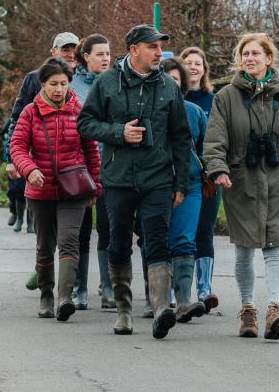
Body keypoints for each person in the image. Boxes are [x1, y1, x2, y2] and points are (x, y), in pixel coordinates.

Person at [204, 33, 279, 341]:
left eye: (256, 53)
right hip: (241, 182)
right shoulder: (226, 98)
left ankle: (275, 307)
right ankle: (248, 309)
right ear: (240, 59)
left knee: (275, 247)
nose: (250, 58)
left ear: (269, 58)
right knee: (245, 249)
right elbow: (215, 139)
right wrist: (217, 169)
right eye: (245, 53)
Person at [78, 24, 192, 339]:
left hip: (157, 178)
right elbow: (85, 124)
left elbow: (182, 137)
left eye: (160, 48)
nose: (159, 53)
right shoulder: (107, 82)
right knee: (118, 244)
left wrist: (180, 182)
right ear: (134, 50)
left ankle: (160, 310)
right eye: (152, 47)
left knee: (157, 241)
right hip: (117, 179)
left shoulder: (168, 86)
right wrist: (118, 133)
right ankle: (124, 310)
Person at [9, 58, 102, 321]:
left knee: (69, 241)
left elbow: (91, 151)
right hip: (40, 190)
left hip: (73, 190)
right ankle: (47, 295)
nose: (59, 89)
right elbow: (16, 146)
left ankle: (65, 297)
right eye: (53, 84)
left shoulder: (79, 110)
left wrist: (95, 186)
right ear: (43, 85)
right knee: (45, 246)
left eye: (63, 83)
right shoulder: (30, 112)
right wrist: (29, 169)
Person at [4, 31, 81, 289]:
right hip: (40, 166)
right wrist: (13, 158)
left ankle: (71, 287)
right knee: (46, 232)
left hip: (75, 169)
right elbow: (17, 119)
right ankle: (44, 271)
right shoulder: (33, 80)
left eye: (73, 49)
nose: (70, 54)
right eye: (65, 49)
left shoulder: (86, 77)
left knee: (72, 232)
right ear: (53, 52)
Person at [160, 57, 209, 324]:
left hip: (190, 184)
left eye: (175, 79)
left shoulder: (194, 112)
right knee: (155, 241)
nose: (170, 83)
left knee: (184, 240)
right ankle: (157, 299)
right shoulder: (149, 110)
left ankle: (183, 302)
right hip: (155, 184)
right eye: (165, 78)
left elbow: (205, 147)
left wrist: (209, 168)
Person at [69, 34, 112, 310]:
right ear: (86, 57)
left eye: (108, 53)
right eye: (100, 54)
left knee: (108, 228)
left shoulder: (116, 84)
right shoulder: (71, 87)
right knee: (81, 231)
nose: (106, 58)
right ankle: (78, 287)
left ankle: (108, 285)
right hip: (80, 168)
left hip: (110, 165)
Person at [180, 46, 221, 312]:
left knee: (204, 230)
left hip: (208, 178)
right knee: (183, 233)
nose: (193, 67)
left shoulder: (215, 100)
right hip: (181, 177)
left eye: (198, 63)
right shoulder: (172, 99)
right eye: (188, 62)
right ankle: (177, 290)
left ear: (204, 70)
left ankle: (205, 289)